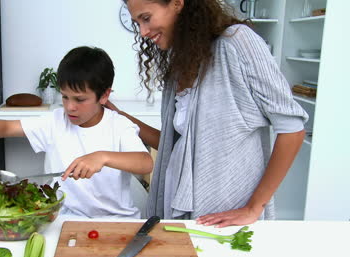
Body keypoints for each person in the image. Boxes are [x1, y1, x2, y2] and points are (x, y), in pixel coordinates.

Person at [106, 0, 308, 227]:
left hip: (227, 213)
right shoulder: (182, 61)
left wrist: (254, 207)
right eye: (137, 23)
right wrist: (119, 115)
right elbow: (172, 145)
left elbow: (292, 129)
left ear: (177, 3)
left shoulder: (237, 42)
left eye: (146, 18)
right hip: (177, 208)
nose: (143, 32)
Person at [0, 46, 153, 218]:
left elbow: (145, 162)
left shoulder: (118, 125)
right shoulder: (55, 121)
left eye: (80, 99)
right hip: (63, 218)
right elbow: (5, 126)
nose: (70, 107)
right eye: (65, 97)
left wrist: (102, 157)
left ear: (104, 95)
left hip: (116, 222)